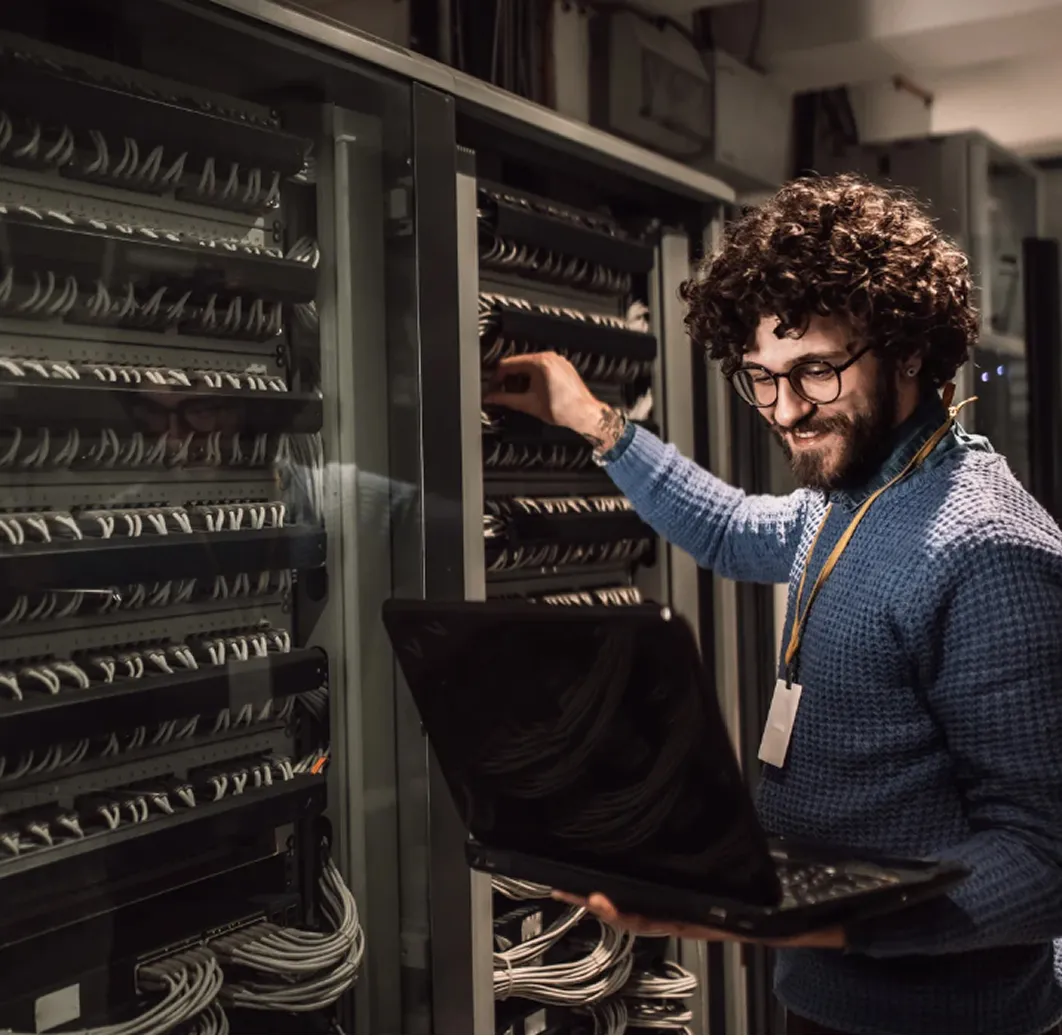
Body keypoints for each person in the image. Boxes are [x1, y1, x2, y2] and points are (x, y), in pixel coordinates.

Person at [484, 173, 1062, 1035]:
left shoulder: (987, 550)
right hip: (823, 998)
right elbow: (727, 527)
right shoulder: (856, 495)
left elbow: (1044, 859)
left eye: (816, 373)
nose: (787, 410)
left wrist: (788, 917)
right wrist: (595, 421)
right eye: (762, 378)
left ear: (907, 349)